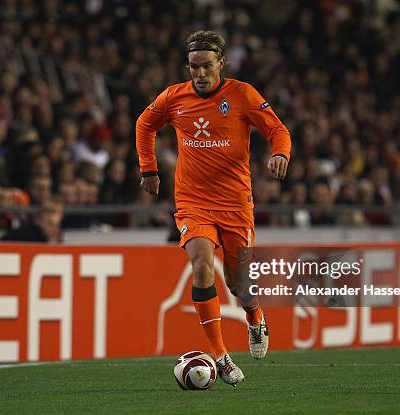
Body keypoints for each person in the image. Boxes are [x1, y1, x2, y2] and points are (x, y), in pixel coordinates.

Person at [135, 30, 291, 385]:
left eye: (207, 66)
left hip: (236, 203)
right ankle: (221, 357)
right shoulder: (174, 97)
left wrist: (280, 153)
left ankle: (254, 317)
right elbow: (145, 124)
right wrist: (148, 168)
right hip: (193, 202)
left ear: (222, 63)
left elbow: (278, 130)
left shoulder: (242, 95)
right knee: (203, 266)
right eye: (193, 67)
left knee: (240, 285)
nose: (200, 74)